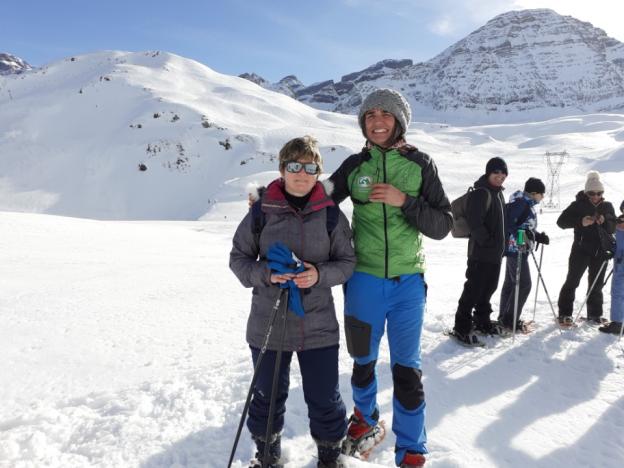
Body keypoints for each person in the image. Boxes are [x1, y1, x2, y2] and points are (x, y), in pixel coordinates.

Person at [329, 89, 452, 468]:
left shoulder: (420, 164)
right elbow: (316, 200)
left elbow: (443, 224)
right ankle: (364, 420)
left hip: (407, 284)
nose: (377, 120)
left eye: (385, 114)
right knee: (363, 361)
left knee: (406, 369)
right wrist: (271, 199)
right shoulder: (354, 166)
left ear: (399, 121)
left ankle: (412, 448)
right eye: (369, 115)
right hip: (363, 281)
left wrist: (406, 202)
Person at [229, 136, 356, 468]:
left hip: (318, 325)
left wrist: (317, 275)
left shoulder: (331, 215)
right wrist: (267, 273)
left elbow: (347, 263)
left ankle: (330, 458)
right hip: (268, 323)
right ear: (283, 168)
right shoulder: (261, 212)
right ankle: (267, 456)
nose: (302, 173)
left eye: (310, 167)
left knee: (325, 398)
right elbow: (239, 260)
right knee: (267, 398)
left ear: (318, 172)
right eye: (295, 166)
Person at [451, 157, 509, 346]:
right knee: (473, 290)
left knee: (488, 289)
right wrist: (489, 242)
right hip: (480, 253)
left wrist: (501, 246)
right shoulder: (481, 193)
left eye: (503, 173)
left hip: (495, 254)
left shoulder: (498, 194)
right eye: (496, 172)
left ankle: (482, 321)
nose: (500, 176)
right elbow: (476, 223)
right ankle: (461, 326)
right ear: (488, 173)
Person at [556, 171, 616, 326]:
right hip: (581, 249)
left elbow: (613, 227)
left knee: (597, 284)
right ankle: (564, 313)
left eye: (599, 193)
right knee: (572, 281)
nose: (596, 196)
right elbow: (561, 222)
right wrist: (580, 222)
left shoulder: (607, 206)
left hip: (601, 251)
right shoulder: (577, 205)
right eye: (592, 193)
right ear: (586, 192)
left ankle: (595, 314)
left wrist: (604, 221)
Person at [498, 177, 549, 332]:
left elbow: (523, 226)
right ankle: (509, 320)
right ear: (534, 193)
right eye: (542, 194)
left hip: (518, 249)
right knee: (524, 284)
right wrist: (524, 235)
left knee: (511, 283)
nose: (543, 197)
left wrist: (537, 235)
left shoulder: (525, 203)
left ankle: (504, 318)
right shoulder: (522, 203)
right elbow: (509, 223)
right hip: (516, 249)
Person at [599, 200, 624, 334]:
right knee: (618, 292)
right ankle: (618, 321)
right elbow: (616, 242)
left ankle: (618, 324)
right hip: (618, 261)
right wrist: (611, 250)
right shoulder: (619, 223)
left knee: (618, 292)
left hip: (622, 263)